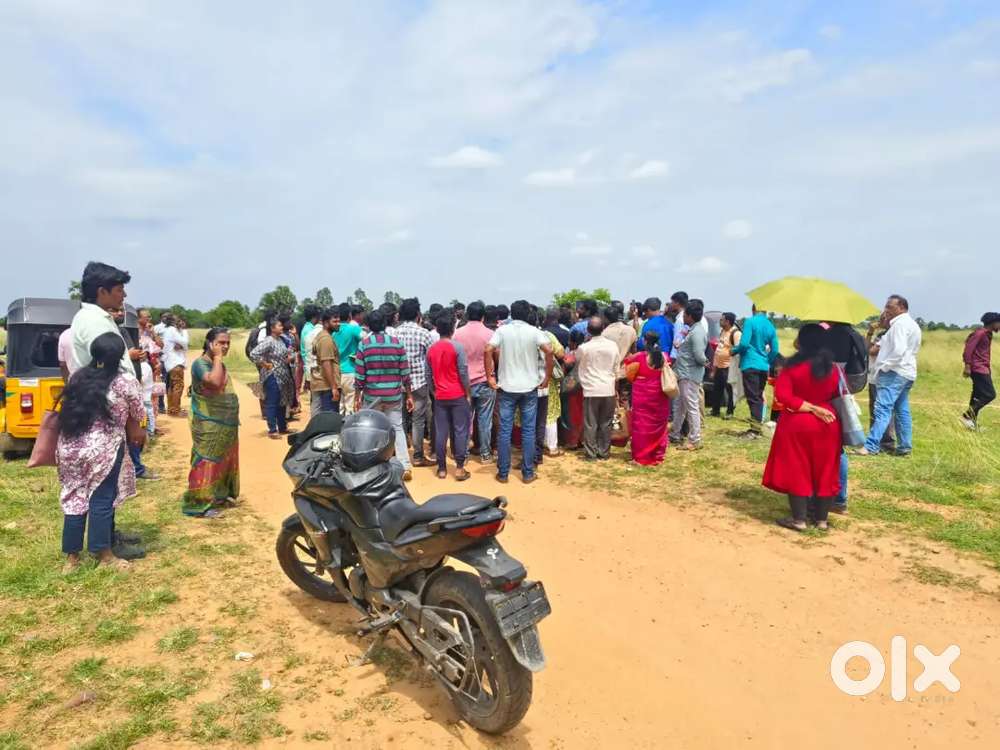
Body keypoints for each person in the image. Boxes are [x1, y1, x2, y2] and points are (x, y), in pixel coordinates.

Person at [57, 333, 145, 572]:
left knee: (74, 498)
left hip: (70, 447)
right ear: (120, 356)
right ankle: (103, 554)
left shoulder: (77, 377)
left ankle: (72, 560)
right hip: (103, 449)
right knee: (101, 499)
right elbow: (138, 415)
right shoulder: (125, 381)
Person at [762, 324, 841, 531]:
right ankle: (822, 521)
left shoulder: (790, 367)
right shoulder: (833, 368)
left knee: (797, 468)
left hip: (797, 422)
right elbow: (836, 393)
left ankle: (799, 519)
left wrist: (811, 407)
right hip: (828, 422)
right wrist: (818, 408)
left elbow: (784, 397)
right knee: (826, 469)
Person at [485, 300, 553, 484]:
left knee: (505, 431)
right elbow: (549, 350)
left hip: (507, 387)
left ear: (512, 314)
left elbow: (488, 349)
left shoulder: (502, 331)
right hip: (529, 387)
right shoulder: (534, 331)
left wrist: (490, 376)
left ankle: (503, 473)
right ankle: (528, 473)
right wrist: (546, 377)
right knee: (529, 431)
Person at [182, 327, 240, 517]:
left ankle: (219, 496)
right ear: (209, 343)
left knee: (224, 458)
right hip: (208, 422)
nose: (225, 346)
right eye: (220, 342)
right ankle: (199, 504)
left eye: (227, 343)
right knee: (207, 460)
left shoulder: (217, 363)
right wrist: (217, 357)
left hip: (224, 423)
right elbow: (214, 383)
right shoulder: (201, 364)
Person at [858, 295, 922, 456]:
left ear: (901, 307)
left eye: (890, 307)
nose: (886, 310)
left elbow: (898, 350)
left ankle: (871, 446)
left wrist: (885, 366)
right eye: (886, 307)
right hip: (906, 372)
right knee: (901, 410)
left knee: (882, 409)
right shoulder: (912, 325)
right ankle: (905, 446)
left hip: (894, 372)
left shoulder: (899, 325)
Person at [354, 309, 414, 479]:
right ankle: (404, 465)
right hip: (393, 396)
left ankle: (373, 466)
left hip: (372, 397)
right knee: (397, 428)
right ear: (385, 324)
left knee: (372, 430)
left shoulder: (364, 345)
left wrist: (357, 397)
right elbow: (405, 373)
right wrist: (409, 395)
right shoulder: (396, 343)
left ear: (369, 325)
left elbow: (360, 375)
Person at [426, 311, 472, 481]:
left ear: (437, 329)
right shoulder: (457, 347)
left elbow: (427, 375)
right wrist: (467, 393)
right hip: (458, 394)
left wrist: (434, 391)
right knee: (460, 431)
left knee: (441, 432)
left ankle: (442, 469)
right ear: (453, 328)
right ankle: (459, 468)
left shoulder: (431, 349)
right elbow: (463, 373)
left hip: (440, 396)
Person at [69, 261, 135, 376]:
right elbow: (106, 369)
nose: (124, 295)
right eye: (119, 290)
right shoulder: (93, 321)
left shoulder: (97, 317)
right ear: (102, 292)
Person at [454, 300, 497, 464]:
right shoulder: (489, 334)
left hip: (464, 383)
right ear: (483, 316)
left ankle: (463, 456)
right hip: (485, 380)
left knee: (465, 420)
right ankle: (485, 454)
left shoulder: (458, 333)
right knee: (485, 420)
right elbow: (496, 355)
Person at [396, 298, 435, 467]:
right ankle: (418, 456)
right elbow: (432, 358)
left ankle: (402, 453)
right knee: (418, 420)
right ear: (418, 314)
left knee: (401, 419)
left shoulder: (393, 333)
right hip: (419, 382)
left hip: (398, 382)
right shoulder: (423, 333)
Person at [731, 305, 780, 439]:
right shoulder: (770, 326)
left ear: (753, 309)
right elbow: (775, 349)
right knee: (758, 396)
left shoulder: (750, 322)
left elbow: (744, 344)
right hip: (763, 366)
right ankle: (756, 428)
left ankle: (755, 430)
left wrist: (734, 350)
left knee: (753, 398)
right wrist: (767, 361)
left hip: (750, 364)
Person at [576, 316, 622, 460]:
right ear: (603, 329)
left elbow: (579, 365)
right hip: (608, 387)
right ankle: (604, 452)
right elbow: (616, 368)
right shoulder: (613, 346)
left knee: (591, 423)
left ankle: (591, 453)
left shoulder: (584, 348)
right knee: (606, 422)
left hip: (591, 389)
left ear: (588, 330)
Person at [624, 330, 671, 465]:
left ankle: (641, 457)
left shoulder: (638, 357)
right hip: (660, 397)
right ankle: (657, 455)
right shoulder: (664, 357)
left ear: (645, 341)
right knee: (659, 426)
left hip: (642, 396)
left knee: (641, 426)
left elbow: (629, 374)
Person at [668, 301, 709, 450]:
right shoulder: (693, 330)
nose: (683, 317)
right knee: (679, 405)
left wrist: (707, 363)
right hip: (684, 373)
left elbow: (699, 356)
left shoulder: (697, 332)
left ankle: (695, 439)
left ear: (690, 316)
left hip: (690, 374)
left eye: (685, 314)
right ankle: (675, 433)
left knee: (691, 406)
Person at [249, 315, 296, 438]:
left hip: (283, 375)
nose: (282, 327)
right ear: (272, 328)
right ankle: (272, 430)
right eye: (279, 325)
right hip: (272, 375)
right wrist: (264, 364)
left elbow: (289, 352)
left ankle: (282, 427)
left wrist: (290, 358)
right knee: (272, 402)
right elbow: (254, 353)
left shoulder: (282, 340)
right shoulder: (269, 341)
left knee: (282, 401)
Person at [962, 312, 999, 430]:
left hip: (983, 368)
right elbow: (968, 349)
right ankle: (967, 416)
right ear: (993, 323)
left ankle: (971, 424)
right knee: (990, 394)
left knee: (977, 396)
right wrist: (967, 366)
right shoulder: (980, 333)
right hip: (978, 369)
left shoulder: (987, 334)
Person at [310, 308, 342, 415]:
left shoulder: (323, 336)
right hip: (326, 386)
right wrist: (333, 387)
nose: (338, 324)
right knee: (329, 418)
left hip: (323, 384)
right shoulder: (326, 339)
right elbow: (326, 363)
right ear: (326, 323)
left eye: (339, 321)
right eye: (335, 321)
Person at [334, 303, 364, 416]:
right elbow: (366, 338)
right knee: (351, 404)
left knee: (340, 404)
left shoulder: (333, 330)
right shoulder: (353, 329)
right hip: (350, 370)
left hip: (336, 371)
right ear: (350, 315)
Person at [710, 313, 741, 419]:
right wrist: (714, 368)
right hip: (719, 366)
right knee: (717, 389)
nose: (720, 322)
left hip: (729, 367)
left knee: (730, 391)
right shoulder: (723, 331)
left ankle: (730, 412)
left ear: (727, 321)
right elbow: (719, 349)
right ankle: (715, 410)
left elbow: (738, 350)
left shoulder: (735, 333)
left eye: (722, 320)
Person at [162, 316, 189, 417]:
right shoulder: (173, 330)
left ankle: (171, 409)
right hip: (175, 362)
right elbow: (185, 342)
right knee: (178, 386)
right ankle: (175, 410)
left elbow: (182, 345)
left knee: (171, 386)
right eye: (178, 320)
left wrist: (183, 346)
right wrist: (184, 331)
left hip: (170, 362)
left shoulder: (169, 330)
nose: (180, 322)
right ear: (173, 322)